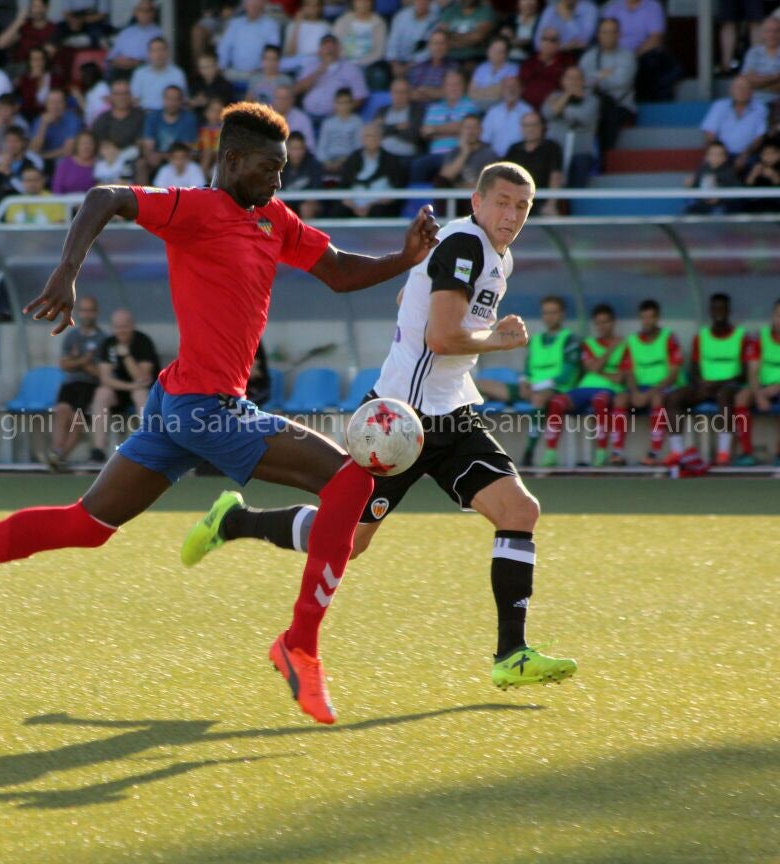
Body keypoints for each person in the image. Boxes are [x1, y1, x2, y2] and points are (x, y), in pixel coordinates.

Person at [0, 102, 443, 727]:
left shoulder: (272, 217)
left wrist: (405, 259)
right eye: (269, 168)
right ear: (231, 161)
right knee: (351, 480)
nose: (279, 182)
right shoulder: (196, 209)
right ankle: (298, 646)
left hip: (181, 403)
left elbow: (336, 272)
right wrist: (67, 271)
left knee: (85, 524)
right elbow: (104, 196)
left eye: (283, 170)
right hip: (205, 409)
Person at [187, 161, 577, 697]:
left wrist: (429, 300)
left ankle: (512, 654)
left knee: (519, 511)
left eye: (522, 206)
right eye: (503, 202)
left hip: (453, 415)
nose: (512, 214)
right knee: (348, 542)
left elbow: (409, 303)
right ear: (477, 201)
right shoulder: (466, 247)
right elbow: (441, 338)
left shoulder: (492, 255)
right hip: (401, 423)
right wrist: (499, 341)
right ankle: (235, 523)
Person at [663, 293, 758, 467]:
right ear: (710, 311)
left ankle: (723, 452)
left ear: (729, 311)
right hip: (704, 386)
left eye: (722, 308)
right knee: (673, 398)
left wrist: (718, 384)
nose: (718, 313)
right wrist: (700, 384)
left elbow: (745, 374)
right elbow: (694, 368)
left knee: (725, 394)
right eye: (715, 309)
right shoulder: (701, 337)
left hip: (730, 386)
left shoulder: (741, 336)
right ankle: (677, 452)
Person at [538, 303, 627, 467]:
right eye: (598, 323)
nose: (602, 326)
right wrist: (610, 352)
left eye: (605, 322)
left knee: (600, 401)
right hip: (583, 388)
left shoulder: (625, 345)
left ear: (613, 322)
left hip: (609, 390)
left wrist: (598, 369)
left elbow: (621, 377)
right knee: (557, 402)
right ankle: (550, 453)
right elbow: (591, 367)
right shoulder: (589, 343)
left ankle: (601, 453)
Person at [499, 294, 578, 464]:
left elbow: (568, 372)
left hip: (556, 387)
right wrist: (523, 382)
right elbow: (527, 368)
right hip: (531, 387)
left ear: (562, 314)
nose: (549, 317)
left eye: (553, 312)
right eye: (546, 313)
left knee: (539, 398)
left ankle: (530, 451)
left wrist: (537, 386)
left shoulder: (569, 339)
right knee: (483, 385)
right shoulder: (535, 340)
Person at [616, 298, 683, 466]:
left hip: (663, 388)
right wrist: (636, 392)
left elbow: (673, 374)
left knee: (657, 399)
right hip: (641, 389)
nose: (646, 322)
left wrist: (649, 393)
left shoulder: (669, 338)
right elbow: (628, 372)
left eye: (650, 317)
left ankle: (654, 452)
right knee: (620, 399)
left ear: (657, 317)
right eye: (643, 318)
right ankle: (617, 452)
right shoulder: (632, 341)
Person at [87, 308, 159, 460]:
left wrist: (126, 355)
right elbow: (105, 378)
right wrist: (130, 386)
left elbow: (143, 378)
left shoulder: (143, 342)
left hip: (143, 392)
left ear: (132, 325)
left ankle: (146, 446)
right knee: (102, 393)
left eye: (124, 326)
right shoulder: (108, 343)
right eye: (117, 327)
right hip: (120, 391)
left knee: (140, 394)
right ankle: (98, 449)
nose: (121, 330)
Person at [46, 295, 106, 469]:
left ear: (96, 313)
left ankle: (58, 458)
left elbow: (100, 373)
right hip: (70, 384)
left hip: (90, 386)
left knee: (77, 419)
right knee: (61, 411)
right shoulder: (72, 336)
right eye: (83, 310)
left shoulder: (103, 339)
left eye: (90, 310)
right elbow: (64, 364)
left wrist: (77, 361)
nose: (86, 314)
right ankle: (57, 454)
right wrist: (85, 361)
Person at [578, 17, 636, 153]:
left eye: (613, 32)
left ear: (619, 34)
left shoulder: (627, 56)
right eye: (605, 32)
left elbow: (622, 82)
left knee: (607, 113)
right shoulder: (589, 56)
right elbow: (581, 82)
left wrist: (596, 77)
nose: (609, 36)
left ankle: (607, 157)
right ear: (598, 34)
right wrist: (603, 75)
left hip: (620, 104)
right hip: (593, 101)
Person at [411, 69, 477, 183]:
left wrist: (435, 129)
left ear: (463, 86)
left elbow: (463, 128)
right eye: (450, 84)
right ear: (444, 87)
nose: (454, 88)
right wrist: (453, 130)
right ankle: (420, 200)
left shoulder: (471, 105)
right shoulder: (434, 108)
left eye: (457, 84)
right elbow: (425, 133)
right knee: (417, 166)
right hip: (435, 155)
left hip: (458, 154)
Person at [543, 65, 600, 187]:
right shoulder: (554, 96)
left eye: (577, 78)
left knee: (577, 189)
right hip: (555, 152)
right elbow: (548, 113)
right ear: (563, 81)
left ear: (583, 81)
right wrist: (567, 95)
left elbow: (584, 116)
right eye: (569, 78)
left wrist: (560, 108)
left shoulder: (592, 100)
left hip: (580, 152)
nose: (573, 82)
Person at [292, 34, 368, 121]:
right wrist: (317, 73)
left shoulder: (351, 69)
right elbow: (296, 90)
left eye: (332, 48)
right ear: (319, 50)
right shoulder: (311, 66)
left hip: (335, 118)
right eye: (326, 47)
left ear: (339, 49)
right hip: (307, 115)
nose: (329, 51)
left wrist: (341, 112)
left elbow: (360, 97)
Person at [339, 121, 405, 217]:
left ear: (380, 138)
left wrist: (372, 205)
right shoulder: (352, 159)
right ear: (362, 139)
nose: (371, 139)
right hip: (355, 202)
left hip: (379, 202)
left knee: (379, 211)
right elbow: (344, 186)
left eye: (374, 136)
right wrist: (353, 206)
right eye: (367, 136)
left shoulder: (392, 160)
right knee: (339, 210)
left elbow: (397, 188)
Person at [505, 112, 564, 214]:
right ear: (521, 128)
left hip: (542, 201)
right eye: (526, 125)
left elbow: (555, 176)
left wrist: (551, 204)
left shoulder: (551, 147)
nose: (530, 129)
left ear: (541, 127)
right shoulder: (514, 149)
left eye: (534, 125)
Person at [701, 77, 767, 165]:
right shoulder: (719, 106)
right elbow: (709, 133)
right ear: (731, 90)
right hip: (721, 153)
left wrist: (746, 154)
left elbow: (760, 136)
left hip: (748, 153)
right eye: (738, 88)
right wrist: (719, 154)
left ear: (752, 92)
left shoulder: (760, 108)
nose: (742, 91)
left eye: (745, 88)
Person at [140, 86, 199, 180]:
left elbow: (186, 147)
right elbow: (148, 145)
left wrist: (164, 156)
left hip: (179, 158)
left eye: (176, 99)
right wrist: (151, 156)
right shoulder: (152, 117)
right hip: (157, 158)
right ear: (163, 99)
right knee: (141, 164)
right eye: (169, 99)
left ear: (181, 101)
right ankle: (141, 194)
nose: (172, 103)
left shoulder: (189, 118)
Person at [747, 299, 780, 466]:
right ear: (773, 316)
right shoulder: (760, 337)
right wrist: (759, 393)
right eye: (778, 315)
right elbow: (753, 372)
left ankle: (779, 452)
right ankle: (745, 453)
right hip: (762, 388)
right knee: (740, 398)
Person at [218, 0, 282, 81]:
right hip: (233, 73)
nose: (253, 7)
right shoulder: (235, 24)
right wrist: (221, 67)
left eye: (256, 4)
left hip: (259, 73)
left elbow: (273, 51)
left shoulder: (271, 25)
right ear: (244, 6)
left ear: (262, 5)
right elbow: (224, 48)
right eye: (250, 4)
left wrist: (261, 69)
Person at [519, 27, 573, 110]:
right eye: (545, 39)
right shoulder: (530, 62)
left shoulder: (566, 62)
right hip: (527, 108)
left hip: (554, 108)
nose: (548, 43)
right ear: (540, 42)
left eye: (553, 40)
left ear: (559, 44)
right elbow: (521, 85)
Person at [92, 79, 147, 159]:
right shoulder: (102, 119)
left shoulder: (141, 116)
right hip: (109, 160)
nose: (122, 97)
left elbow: (141, 144)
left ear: (131, 96)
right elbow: (98, 143)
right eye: (117, 94)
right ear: (111, 97)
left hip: (133, 160)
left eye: (125, 93)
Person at [130, 37, 188, 112]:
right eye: (154, 51)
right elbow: (134, 99)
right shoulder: (139, 73)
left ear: (167, 53)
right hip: (144, 114)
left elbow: (182, 100)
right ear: (149, 54)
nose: (158, 54)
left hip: (169, 115)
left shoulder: (177, 73)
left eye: (161, 50)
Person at [386, 0, 439, 81]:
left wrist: (408, 66)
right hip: (396, 61)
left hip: (419, 63)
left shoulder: (434, 21)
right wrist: (394, 64)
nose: (421, 3)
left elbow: (429, 50)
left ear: (430, 3)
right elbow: (393, 41)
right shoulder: (401, 16)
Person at [683, 142, 741, 215]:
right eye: (712, 154)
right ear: (706, 157)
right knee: (687, 211)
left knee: (718, 213)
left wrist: (720, 197)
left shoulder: (729, 172)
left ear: (725, 158)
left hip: (721, 206)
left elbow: (737, 192)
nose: (715, 157)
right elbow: (695, 188)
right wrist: (689, 185)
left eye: (719, 155)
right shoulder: (702, 169)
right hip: (702, 204)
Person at [481, 76, 532, 156]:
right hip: (495, 159)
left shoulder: (528, 111)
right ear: (502, 90)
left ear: (521, 89)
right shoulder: (493, 112)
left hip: (520, 158)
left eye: (514, 86)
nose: (511, 89)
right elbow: (484, 139)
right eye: (507, 87)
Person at [318, 88, 365, 173]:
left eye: (346, 103)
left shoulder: (357, 122)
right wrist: (327, 162)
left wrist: (343, 161)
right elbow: (321, 147)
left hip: (349, 161)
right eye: (340, 103)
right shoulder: (327, 123)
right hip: (328, 161)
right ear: (335, 104)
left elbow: (358, 147)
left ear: (351, 104)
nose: (343, 106)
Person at [29, 88, 83, 162]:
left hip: (61, 159)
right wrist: (43, 126)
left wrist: (43, 156)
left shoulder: (73, 119)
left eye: (59, 102)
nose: (55, 106)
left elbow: (68, 150)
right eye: (52, 102)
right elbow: (34, 149)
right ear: (46, 105)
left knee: (62, 160)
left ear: (64, 104)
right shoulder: (40, 120)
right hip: (43, 160)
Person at [378, 77, 425, 159]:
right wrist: (397, 127)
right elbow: (375, 132)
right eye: (396, 92)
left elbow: (413, 136)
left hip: (405, 157)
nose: (399, 96)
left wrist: (386, 127)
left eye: (403, 92)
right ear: (391, 93)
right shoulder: (382, 111)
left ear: (409, 94)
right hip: (381, 156)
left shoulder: (417, 112)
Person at [2, 165, 68, 224]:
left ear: (43, 180)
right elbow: (9, 229)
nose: (32, 183)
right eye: (28, 180)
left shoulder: (54, 200)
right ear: (22, 182)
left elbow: (58, 226)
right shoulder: (13, 202)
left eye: (35, 180)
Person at [0, 0, 56, 67]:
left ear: (47, 8)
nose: (37, 10)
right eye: (34, 6)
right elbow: (1, 44)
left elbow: (51, 54)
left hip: (40, 68)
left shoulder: (53, 29)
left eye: (40, 6)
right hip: (20, 66)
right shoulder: (24, 25)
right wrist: (19, 20)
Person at [438, 0, 497, 64]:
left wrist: (452, 36)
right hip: (449, 57)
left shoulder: (486, 11)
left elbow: (477, 38)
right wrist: (468, 39)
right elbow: (442, 36)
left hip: (474, 58)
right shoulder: (450, 10)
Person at [109, 0, 163, 70]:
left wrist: (135, 63)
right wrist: (118, 62)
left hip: (144, 69)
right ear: (135, 12)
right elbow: (111, 57)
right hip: (121, 69)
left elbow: (158, 59)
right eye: (141, 10)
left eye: (148, 10)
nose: (144, 14)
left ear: (154, 13)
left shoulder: (159, 33)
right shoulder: (126, 32)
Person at [469, 36, 520, 107]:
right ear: (488, 50)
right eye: (493, 49)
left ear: (506, 54)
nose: (496, 54)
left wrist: (481, 91)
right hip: (478, 106)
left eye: (500, 51)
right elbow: (471, 92)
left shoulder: (513, 69)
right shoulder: (481, 68)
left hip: (501, 107)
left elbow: (501, 93)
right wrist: (493, 90)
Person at [742, 17, 780, 102]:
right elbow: (747, 80)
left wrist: (759, 83)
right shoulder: (754, 52)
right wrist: (776, 77)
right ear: (762, 33)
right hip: (753, 102)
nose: (772, 34)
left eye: (776, 31)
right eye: (768, 31)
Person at [53, 129, 100, 194]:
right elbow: (57, 188)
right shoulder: (65, 164)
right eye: (83, 143)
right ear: (77, 145)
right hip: (66, 202)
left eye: (90, 143)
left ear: (95, 146)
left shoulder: (99, 164)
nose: (86, 147)